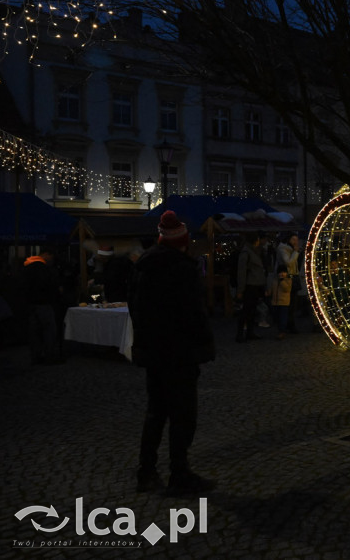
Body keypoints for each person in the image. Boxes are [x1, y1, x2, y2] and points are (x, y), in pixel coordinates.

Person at [129, 210, 215, 496]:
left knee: (156, 412)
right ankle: (179, 472)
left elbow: (136, 310)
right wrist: (203, 344)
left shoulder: (143, 266)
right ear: (183, 241)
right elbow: (194, 313)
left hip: (155, 353)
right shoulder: (182, 269)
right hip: (180, 353)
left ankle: (147, 472)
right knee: (182, 415)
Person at [23, 246, 63, 365]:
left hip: (31, 304)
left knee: (34, 332)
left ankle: (36, 356)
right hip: (44, 304)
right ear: (47, 254)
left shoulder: (27, 267)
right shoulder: (46, 269)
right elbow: (53, 287)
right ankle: (49, 356)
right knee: (49, 330)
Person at [235, 232, 267, 342]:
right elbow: (242, 272)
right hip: (249, 285)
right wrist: (240, 289)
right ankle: (240, 334)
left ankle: (250, 332)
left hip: (255, 285)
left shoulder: (254, 251)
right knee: (246, 311)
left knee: (252, 311)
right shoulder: (246, 252)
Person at [276, 232, 302, 333]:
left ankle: (289, 323)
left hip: (293, 277)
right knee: (287, 303)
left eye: (296, 240)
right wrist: (295, 252)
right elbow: (289, 263)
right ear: (288, 240)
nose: (295, 242)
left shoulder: (290, 249)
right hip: (287, 279)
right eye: (293, 240)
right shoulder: (283, 249)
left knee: (293, 303)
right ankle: (287, 324)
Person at [268, 264, 292, 340]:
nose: (282, 274)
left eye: (284, 272)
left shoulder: (288, 280)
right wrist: (268, 292)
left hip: (284, 302)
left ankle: (282, 331)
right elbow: (272, 288)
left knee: (283, 317)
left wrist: (282, 281)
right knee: (277, 317)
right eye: (280, 272)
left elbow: (287, 289)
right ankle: (280, 330)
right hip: (275, 302)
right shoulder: (275, 280)